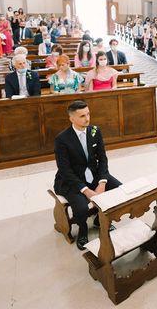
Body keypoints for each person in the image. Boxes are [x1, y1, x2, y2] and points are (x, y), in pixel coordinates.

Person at [53, 100, 122, 250]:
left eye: (88, 114)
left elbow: (102, 158)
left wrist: (102, 182)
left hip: (94, 174)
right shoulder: (62, 139)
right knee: (81, 207)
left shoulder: (95, 131)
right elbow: (64, 170)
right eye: (82, 116)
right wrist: (86, 190)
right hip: (71, 180)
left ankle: (100, 219)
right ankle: (83, 229)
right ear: (72, 118)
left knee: (119, 189)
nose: (87, 118)